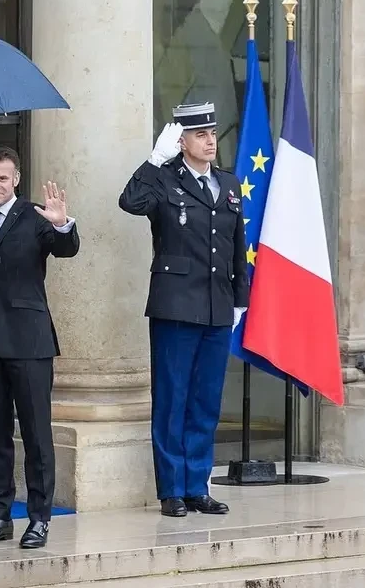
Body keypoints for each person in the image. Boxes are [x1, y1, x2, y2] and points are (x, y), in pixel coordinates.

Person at [118, 103, 248, 518]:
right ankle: (172, 489)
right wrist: (154, 160)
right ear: (181, 141)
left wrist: (240, 298)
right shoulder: (164, 180)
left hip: (216, 306)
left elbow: (236, 246)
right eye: (200, 135)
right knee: (172, 400)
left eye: (212, 133)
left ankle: (197, 486)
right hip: (175, 306)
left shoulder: (227, 183)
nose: (210, 141)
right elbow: (130, 202)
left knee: (205, 402)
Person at [0, 146, 78, 550]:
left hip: (29, 340)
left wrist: (62, 225)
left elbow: (66, 248)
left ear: (16, 179)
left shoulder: (36, 215)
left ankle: (39, 519)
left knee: (35, 433)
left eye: (2, 178)